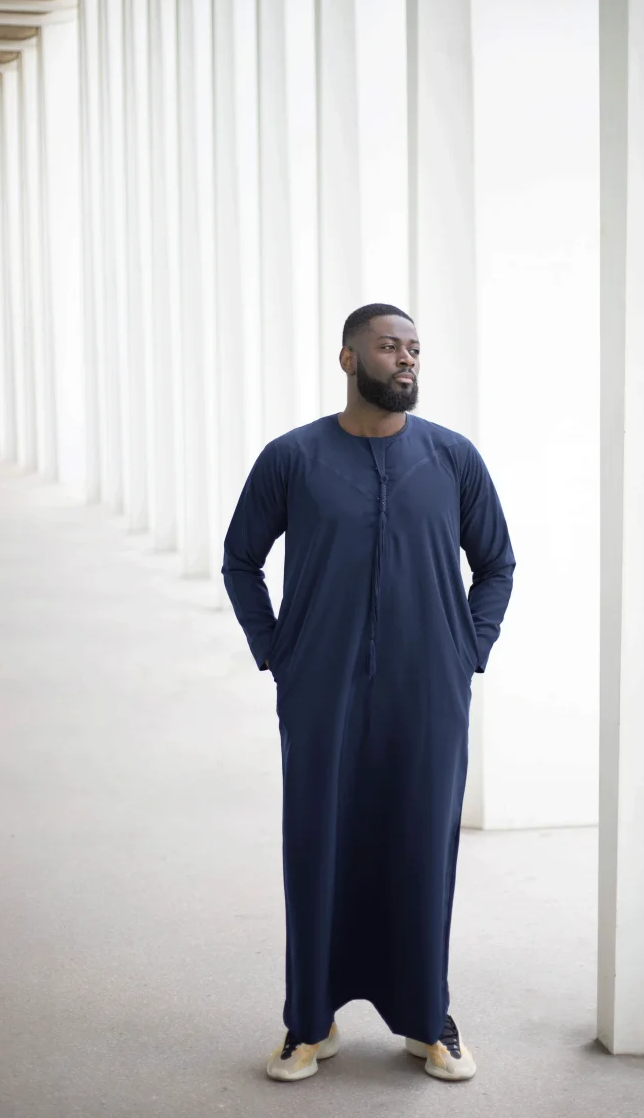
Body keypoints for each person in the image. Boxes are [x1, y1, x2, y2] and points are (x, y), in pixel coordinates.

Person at [222, 303, 516, 1083]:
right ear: (349, 359)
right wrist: (275, 648)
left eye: (414, 348)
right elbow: (241, 560)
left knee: (421, 844)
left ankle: (428, 1018)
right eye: (389, 347)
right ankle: (308, 1021)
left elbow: (496, 563)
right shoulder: (292, 458)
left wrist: (469, 647)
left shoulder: (452, 458)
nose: (406, 359)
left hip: (430, 688)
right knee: (317, 842)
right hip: (320, 685)